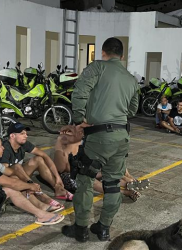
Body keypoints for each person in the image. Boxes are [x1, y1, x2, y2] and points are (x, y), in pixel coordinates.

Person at [61, 37, 139, 242]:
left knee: (84, 179)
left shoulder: (97, 67)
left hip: (99, 135)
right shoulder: (131, 78)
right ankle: (104, 228)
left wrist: (79, 118)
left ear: (103, 53)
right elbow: (132, 109)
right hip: (122, 137)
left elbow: (79, 91)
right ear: (122, 56)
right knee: (112, 183)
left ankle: (81, 229)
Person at [54, 125, 146, 201]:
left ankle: (129, 182)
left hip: (83, 170)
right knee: (90, 181)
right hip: (70, 177)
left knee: (106, 171)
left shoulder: (81, 143)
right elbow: (65, 169)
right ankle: (126, 190)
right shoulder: (62, 147)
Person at [0, 136, 64, 225]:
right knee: (13, 186)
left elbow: (12, 171)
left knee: (17, 170)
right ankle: (41, 208)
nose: (2, 147)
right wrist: (30, 186)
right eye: (0, 146)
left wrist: (28, 182)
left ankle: (43, 205)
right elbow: (11, 182)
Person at [0, 122, 73, 201]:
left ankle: (58, 188)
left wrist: (57, 177)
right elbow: (4, 174)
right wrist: (20, 174)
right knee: (17, 167)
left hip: (20, 176)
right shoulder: (5, 149)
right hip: (10, 181)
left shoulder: (23, 144)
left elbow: (44, 155)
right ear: (12, 136)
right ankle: (38, 194)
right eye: (22, 133)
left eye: (26, 133)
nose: (26, 136)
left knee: (38, 159)